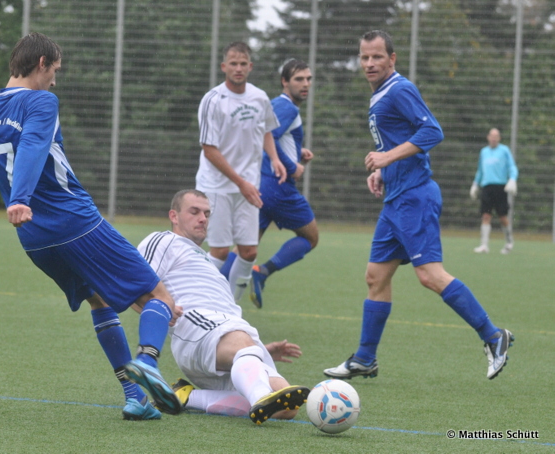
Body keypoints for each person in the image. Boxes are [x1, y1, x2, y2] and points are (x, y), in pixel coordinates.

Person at [0, 34, 181, 420]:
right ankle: (149, 363)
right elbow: (35, 144)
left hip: (34, 237)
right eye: (55, 71)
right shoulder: (41, 101)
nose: (55, 80)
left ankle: (135, 398)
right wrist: (19, 197)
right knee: (160, 297)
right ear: (41, 63)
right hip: (74, 220)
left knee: (99, 300)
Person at [323, 30, 514, 381]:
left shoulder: (399, 88)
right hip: (397, 198)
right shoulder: (380, 94)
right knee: (375, 276)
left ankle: (493, 336)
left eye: (377, 56)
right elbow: (398, 140)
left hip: (415, 198)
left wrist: (385, 157)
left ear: (392, 59)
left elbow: (432, 132)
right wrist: (384, 172)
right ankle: (365, 358)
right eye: (364, 57)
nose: (369, 63)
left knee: (429, 275)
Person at [137, 189, 309, 424]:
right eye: (194, 212)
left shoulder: (204, 259)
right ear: (174, 216)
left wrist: (257, 352)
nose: (203, 219)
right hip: (196, 327)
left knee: (287, 408)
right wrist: (159, 310)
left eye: (207, 213)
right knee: (263, 391)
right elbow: (132, 285)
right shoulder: (164, 241)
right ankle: (258, 393)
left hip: (229, 335)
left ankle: (186, 397)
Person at [196, 41, 287, 302]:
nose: (238, 68)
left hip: (248, 186)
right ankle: (200, 303)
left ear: (250, 66)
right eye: (233, 63)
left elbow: (266, 129)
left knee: (248, 251)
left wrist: (275, 158)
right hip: (217, 186)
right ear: (224, 67)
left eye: (243, 63)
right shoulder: (213, 100)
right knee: (220, 251)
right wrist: (241, 183)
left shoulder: (259, 97)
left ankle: (230, 308)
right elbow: (209, 150)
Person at [249, 58, 318, 308]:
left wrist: (298, 152)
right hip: (278, 188)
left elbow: (270, 138)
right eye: (299, 79)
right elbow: (269, 138)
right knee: (310, 238)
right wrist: (293, 167)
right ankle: (264, 271)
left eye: (309, 79)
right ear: (284, 82)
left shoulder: (276, 105)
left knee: (245, 251)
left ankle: (212, 300)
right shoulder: (287, 107)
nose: (306, 84)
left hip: (260, 185)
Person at [470, 128, 519, 254]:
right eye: (492, 135)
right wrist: (475, 184)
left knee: (503, 217)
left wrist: (512, 179)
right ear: (488, 137)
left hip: (500, 187)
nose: (493, 138)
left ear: (499, 138)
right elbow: (480, 170)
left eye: (496, 136)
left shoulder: (504, 150)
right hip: (487, 188)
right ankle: (484, 245)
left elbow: (512, 167)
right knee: (485, 216)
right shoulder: (484, 152)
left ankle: (509, 242)